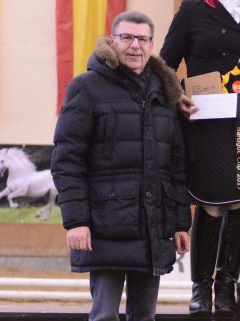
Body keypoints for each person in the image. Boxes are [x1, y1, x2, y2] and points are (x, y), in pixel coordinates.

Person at [52, 11, 191, 321]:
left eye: (142, 39)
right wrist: (76, 221)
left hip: (151, 228)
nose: (134, 46)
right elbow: (67, 160)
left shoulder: (165, 94)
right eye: (127, 37)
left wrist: (180, 222)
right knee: (103, 316)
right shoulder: (85, 88)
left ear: (152, 44)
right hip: (104, 228)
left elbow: (176, 167)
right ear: (112, 41)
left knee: (145, 317)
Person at [159, 0, 240, 315]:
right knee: (211, 199)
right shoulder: (192, 11)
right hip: (205, 117)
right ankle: (201, 284)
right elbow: (164, 64)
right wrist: (176, 95)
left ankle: (228, 284)